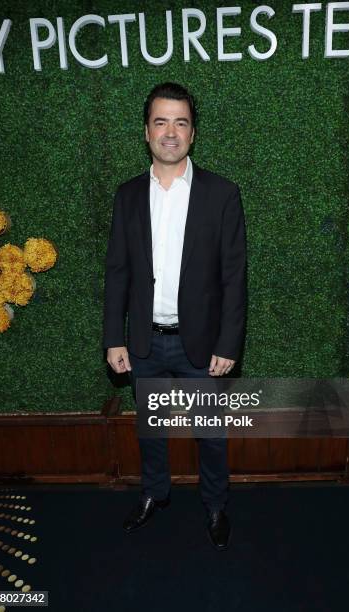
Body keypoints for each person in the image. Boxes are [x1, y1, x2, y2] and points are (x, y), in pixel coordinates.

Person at [103, 82, 246, 550]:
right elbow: (118, 272)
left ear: (192, 133)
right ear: (146, 132)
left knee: (211, 435)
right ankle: (154, 495)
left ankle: (215, 504)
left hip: (201, 346)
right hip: (144, 344)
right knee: (152, 432)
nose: (170, 132)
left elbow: (234, 278)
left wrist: (228, 345)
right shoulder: (127, 196)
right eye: (161, 122)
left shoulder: (222, 194)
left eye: (180, 122)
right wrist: (114, 337)